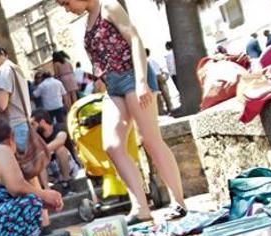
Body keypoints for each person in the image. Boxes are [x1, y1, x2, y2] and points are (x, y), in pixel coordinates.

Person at [56, 0, 187, 224]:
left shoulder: (108, 6)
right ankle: (140, 207)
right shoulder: (89, 18)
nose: (67, 9)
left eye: (66, 3)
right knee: (112, 146)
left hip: (132, 76)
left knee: (150, 140)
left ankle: (178, 202)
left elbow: (134, 39)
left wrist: (142, 81)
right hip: (113, 86)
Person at [31, 108, 79, 193]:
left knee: (60, 149)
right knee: (39, 157)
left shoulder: (60, 127)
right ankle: (46, 189)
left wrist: (43, 151)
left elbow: (60, 141)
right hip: (50, 170)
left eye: (33, 124)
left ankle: (67, 181)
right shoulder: (36, 136)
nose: (32, 127)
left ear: (42, 122)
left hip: (69, 167)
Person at [146, 48, 173, 115]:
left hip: (152, 78)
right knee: (165, 93)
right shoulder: (152, 60)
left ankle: (161, 111)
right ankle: (170, 108)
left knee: (157, 95)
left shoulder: (145, 62)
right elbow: (160, 69)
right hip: (159, 76)